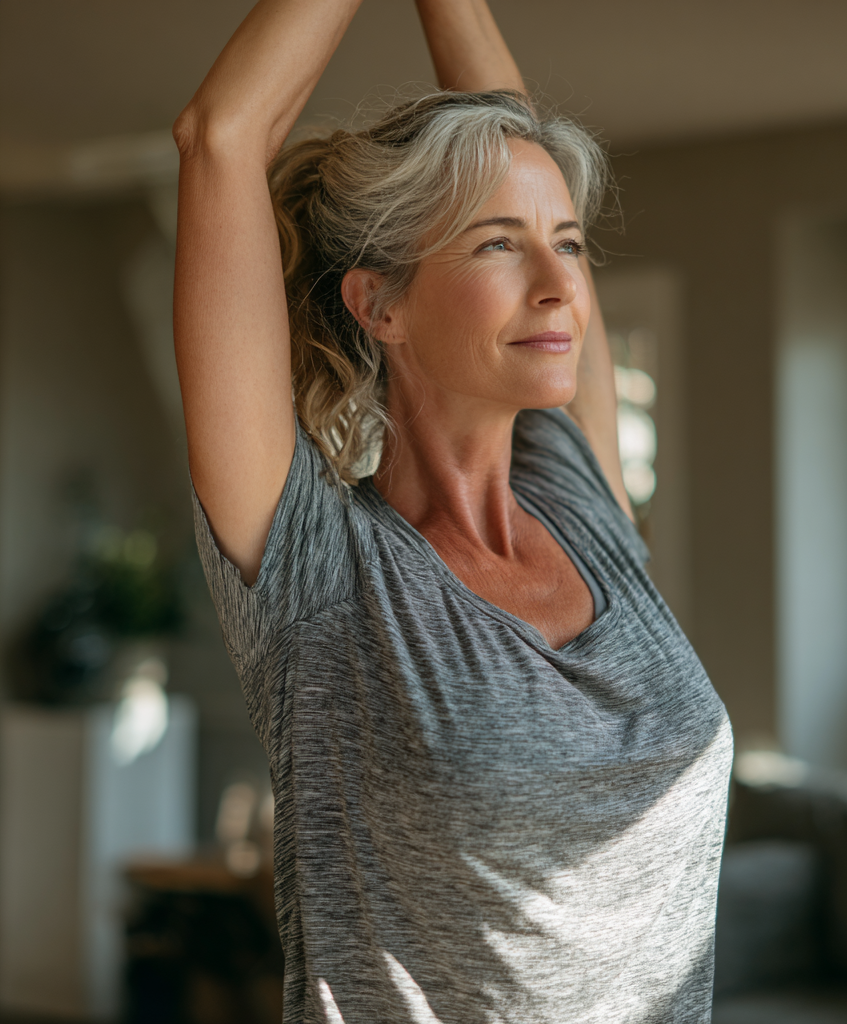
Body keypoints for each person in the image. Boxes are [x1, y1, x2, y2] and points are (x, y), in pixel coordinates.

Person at [173, 0, 733, 1020]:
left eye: (566, 241)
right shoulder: (320, 575)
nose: (560, 285)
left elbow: (514, 135)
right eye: (496, 245)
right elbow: (219, 138)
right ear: (378, 303)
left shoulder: (582, 507)